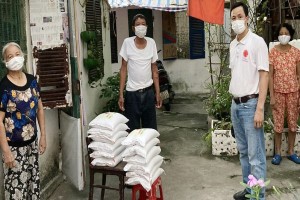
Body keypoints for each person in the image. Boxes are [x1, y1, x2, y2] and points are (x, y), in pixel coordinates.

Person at [229, 2, 269, 200]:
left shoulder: (257, 42)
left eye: (239, 16)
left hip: (251, 105)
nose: (236, 21)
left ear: (247, 18)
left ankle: (257, 195)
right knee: (244, 153)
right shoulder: (233, 44)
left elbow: (264, 75)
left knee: (256, 156)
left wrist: (260, 108)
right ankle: (248, 190)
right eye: (233, 18)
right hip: (236, 105)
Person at [0, 42, 46, 199]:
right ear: (5, 62)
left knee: (32, 188)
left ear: (23, 56)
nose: (15, 59)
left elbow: (39, 108)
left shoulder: (32, 81)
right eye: (10, 56)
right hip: (14, 149)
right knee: (16, 191)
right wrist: (6, 151)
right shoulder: (4, 87)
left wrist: (43, 136)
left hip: (32, 145)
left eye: (17, 54)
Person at [118, 14, 162, 131]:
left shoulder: (151, 43)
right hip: (132, 94)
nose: (141, 27)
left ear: (147, 27)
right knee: (132, 131)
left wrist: (157, 93)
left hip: (148, 93)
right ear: (133, 28)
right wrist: (121, 94)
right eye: (138, 25)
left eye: (143, 24)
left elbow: (155, 70)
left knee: (150, 131)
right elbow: (123, 69)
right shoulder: (127, 43)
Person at [269, 23, 300, 165]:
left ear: (290, 35)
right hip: (278, 92)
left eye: (286, 33)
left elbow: (299, 74)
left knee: (293, 123)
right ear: (277, 35)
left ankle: (291, 152)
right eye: (281, 33)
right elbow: (270, 76)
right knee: (278, 125)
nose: (283, 36)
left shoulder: (296, 52)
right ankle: (277, 153)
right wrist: (272, 96)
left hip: (294, 92)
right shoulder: (273, 52)